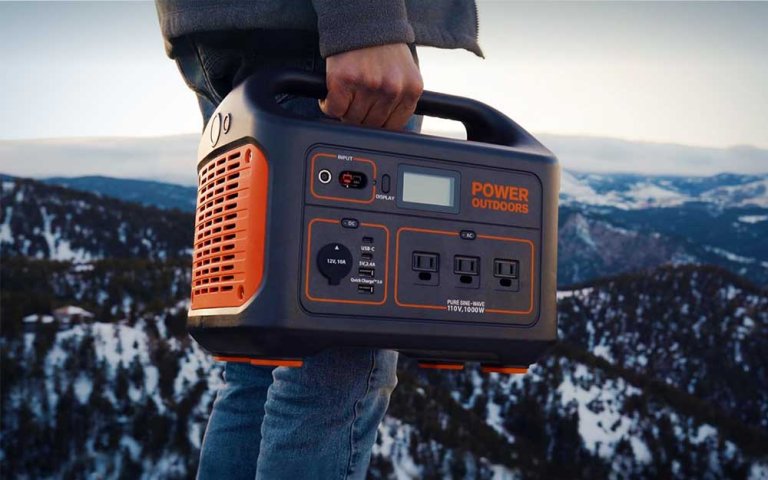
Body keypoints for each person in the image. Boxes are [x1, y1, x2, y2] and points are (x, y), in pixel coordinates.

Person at [155, 1, 482, 478]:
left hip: (224, 33)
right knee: (337, 361)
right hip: (317, 34)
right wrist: (365, 24)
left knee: (259, 358)